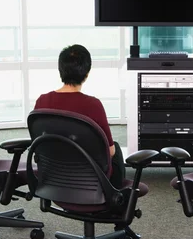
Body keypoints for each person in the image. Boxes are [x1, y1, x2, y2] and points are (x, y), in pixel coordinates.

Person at [33, 44, 126, 188]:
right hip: (90, 183)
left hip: (54, 181)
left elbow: (39, 144)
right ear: (87, 74)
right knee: (116, 149)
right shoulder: (93, 105)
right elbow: (110, 151)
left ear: (60, 70)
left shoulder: (42, 101)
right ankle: (117, 201)